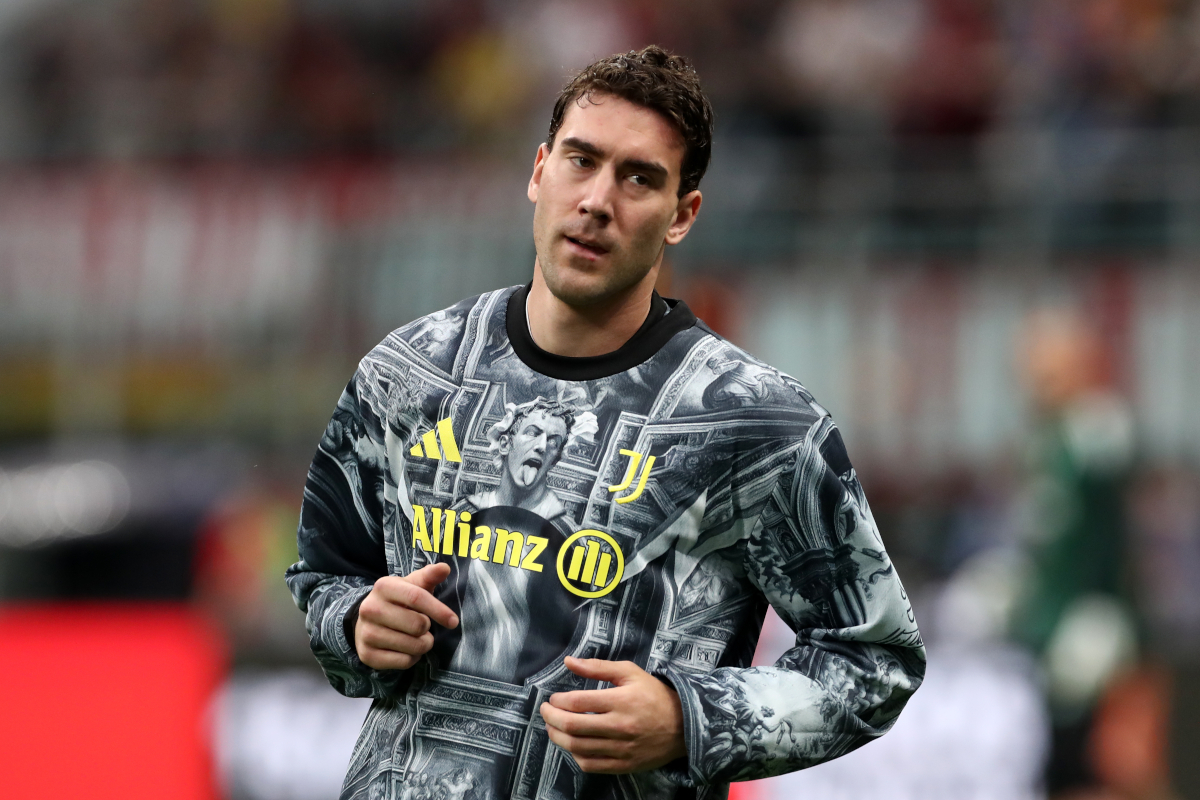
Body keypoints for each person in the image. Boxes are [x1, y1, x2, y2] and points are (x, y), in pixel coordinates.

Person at [286, 46, 925, 800]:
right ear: (538, 171)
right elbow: (323, 578)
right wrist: (358, 623)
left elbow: (875, 660)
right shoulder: (408, 373)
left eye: (639, 178)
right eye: (581, 161)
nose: (597, 200)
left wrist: (693, 721)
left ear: (682, 215)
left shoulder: (757, 425)